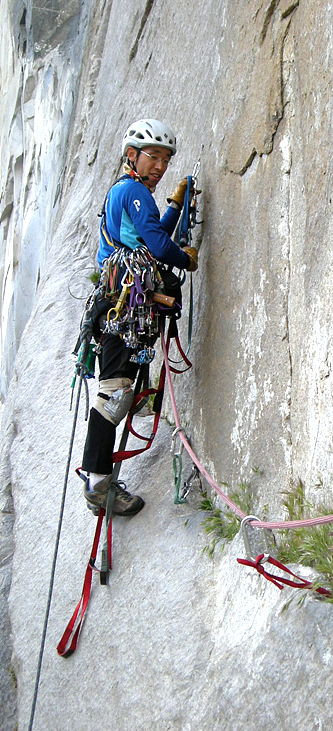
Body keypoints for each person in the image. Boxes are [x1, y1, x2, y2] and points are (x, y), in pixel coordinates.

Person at [80, 118, 198, 516]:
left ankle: (101, 478)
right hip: (122, 306)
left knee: (120, 389)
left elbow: (150, 235)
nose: (160, 166)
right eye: (153, 156)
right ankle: (97, 485)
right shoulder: (132, 189)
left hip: (122, 306)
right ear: (132, 156)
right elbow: (159, 246)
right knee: (113, 396)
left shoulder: (129, 192)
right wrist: (186, 259)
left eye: (165, 159)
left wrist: (176, 206)